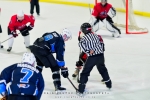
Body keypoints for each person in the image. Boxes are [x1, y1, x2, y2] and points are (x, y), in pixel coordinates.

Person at [77, 23, 112, 95]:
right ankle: (109, 84)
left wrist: (88, 51)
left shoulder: (84, 39)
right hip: (101, 56)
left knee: (85, 73)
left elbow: (82, 47)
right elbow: (102, 45)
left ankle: (81, 89)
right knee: (103, 69)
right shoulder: (97, 36)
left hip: (92, 57)